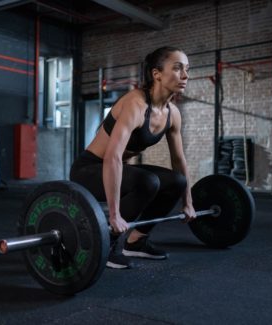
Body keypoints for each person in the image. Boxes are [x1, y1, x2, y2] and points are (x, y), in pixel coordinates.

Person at [70, 46, 196, 269]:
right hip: (89, 169)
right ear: (156, 74)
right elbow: (113, 157)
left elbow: (179, 160)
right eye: (177, 69)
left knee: (176, 181)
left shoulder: (172, 114)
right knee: (148, 181)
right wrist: (114, 215)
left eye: (187, 69)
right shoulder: (135, 104)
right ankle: (106, 244)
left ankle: (136, 241)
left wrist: (188, 202)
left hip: (116, 167)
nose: (185, 75)